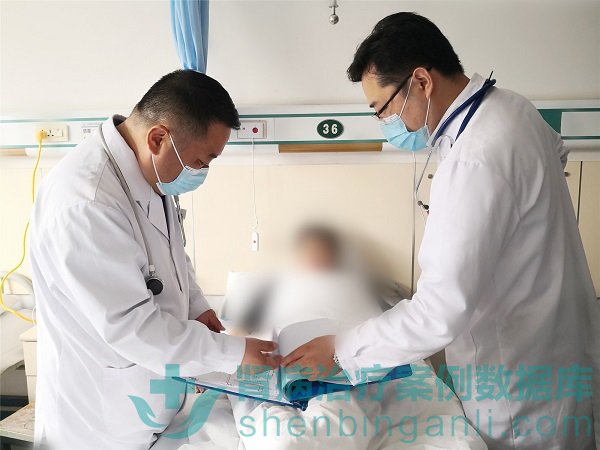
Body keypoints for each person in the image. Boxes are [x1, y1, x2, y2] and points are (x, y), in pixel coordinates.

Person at [282, 12, 599, 450]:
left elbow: (439, 312)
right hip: (557, 344)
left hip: (518, 380)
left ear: (421, 82)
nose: (387, 123)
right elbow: (556, 153)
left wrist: (341, 350)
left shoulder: (473, 161)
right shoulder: (512, 108)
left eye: (383, 109)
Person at [30, 70, 279, 450]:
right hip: (97, 424)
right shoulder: (86, 203)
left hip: (150, 403)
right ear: (159, 138)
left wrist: (196, 306)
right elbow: (133, 327)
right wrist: (233, 353)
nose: (202, 172)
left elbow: (171, 256)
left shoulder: (146, 172)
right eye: (201, 161)